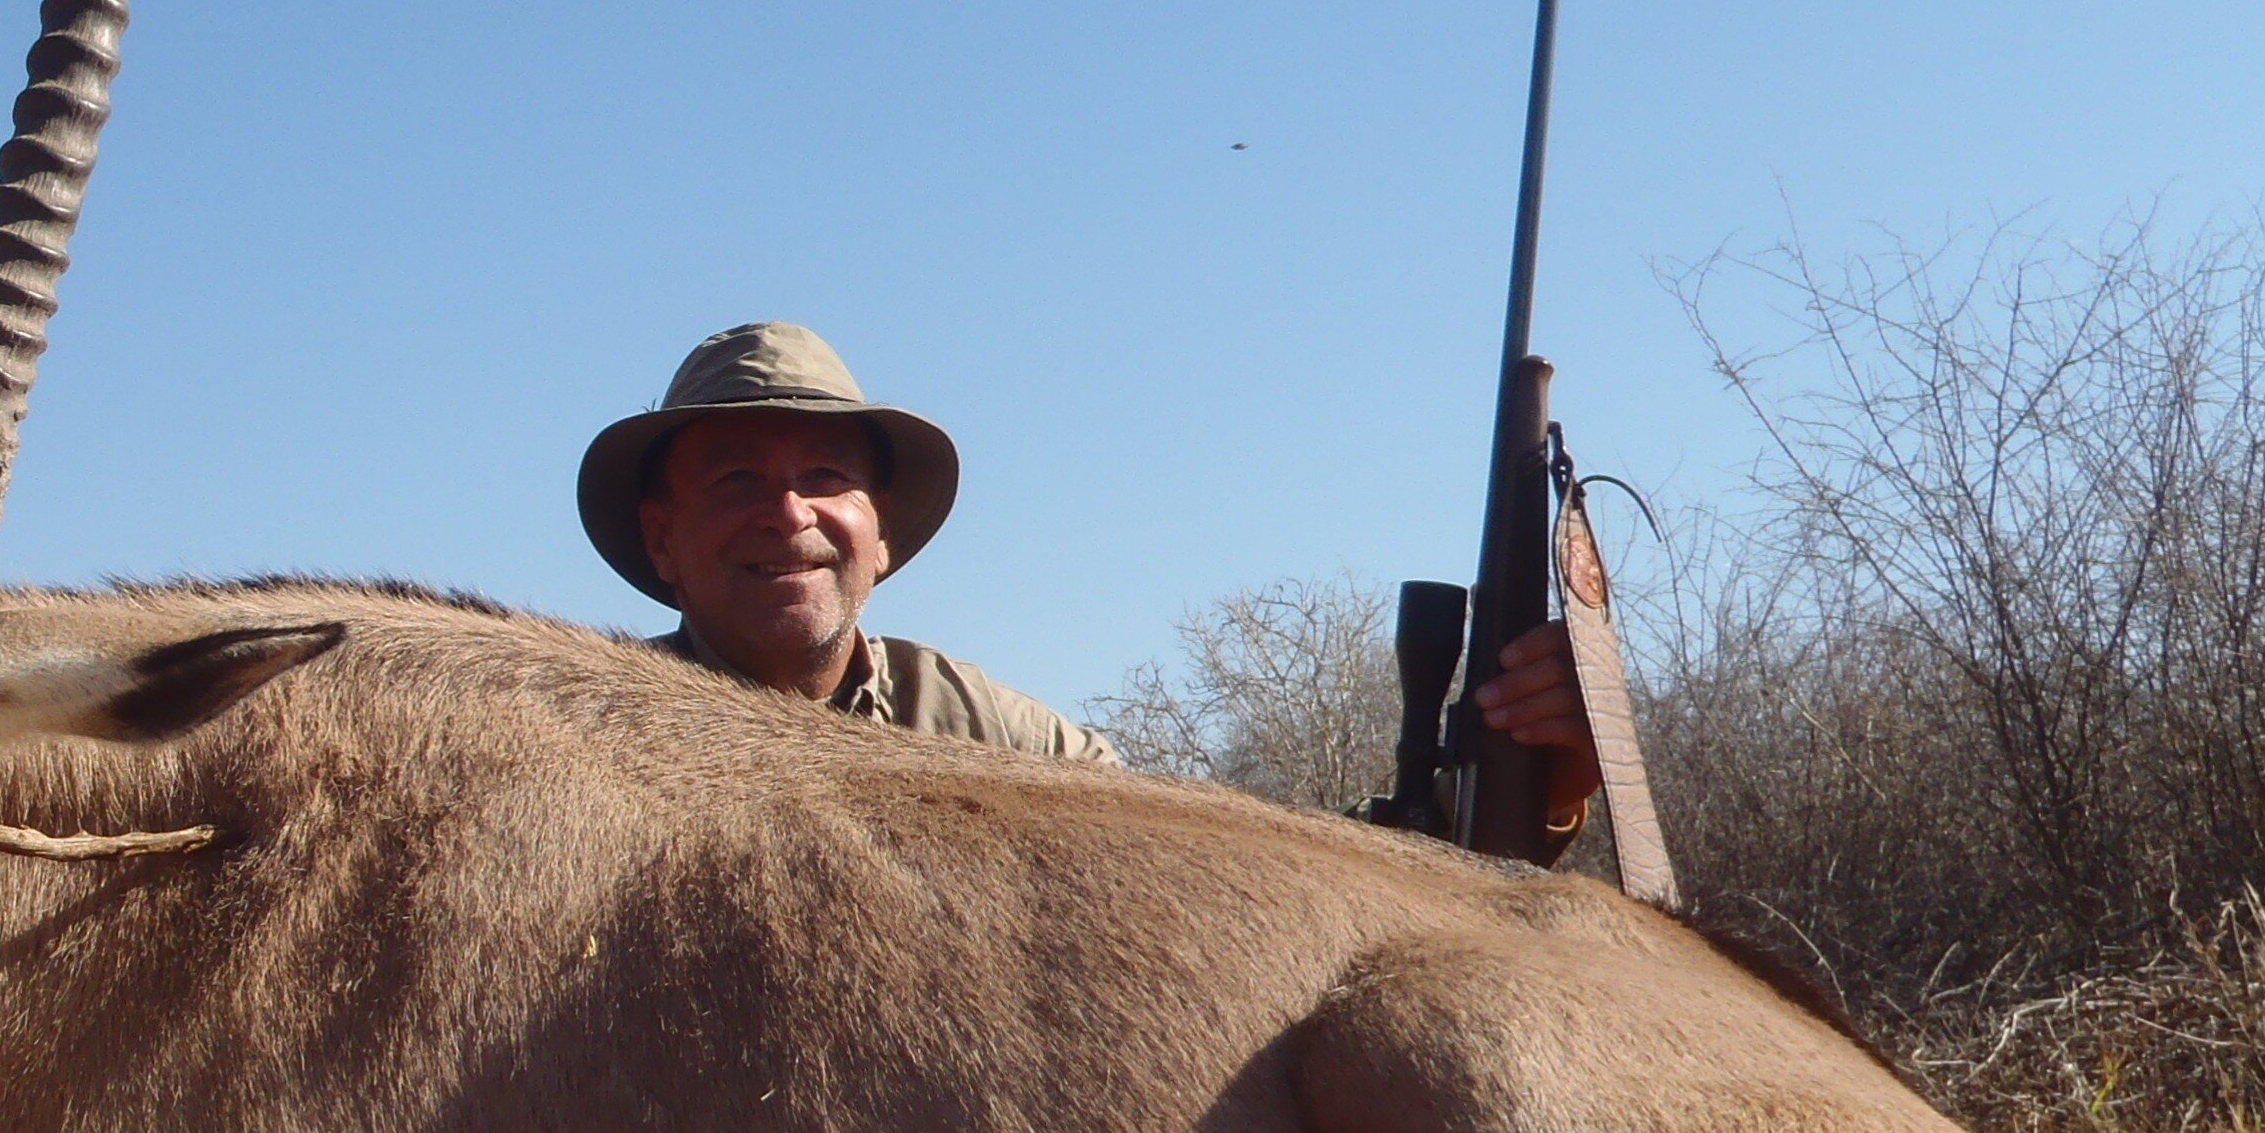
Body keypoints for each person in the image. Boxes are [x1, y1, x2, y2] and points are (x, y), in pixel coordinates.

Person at [578, 323, 1600, 827]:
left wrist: (1534, 785)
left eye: (825, 476)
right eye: (736, 478)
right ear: (662, 540)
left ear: (878, 536)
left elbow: (1218, 881)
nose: (787, 511)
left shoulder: (989, 736)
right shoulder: (581, 751)